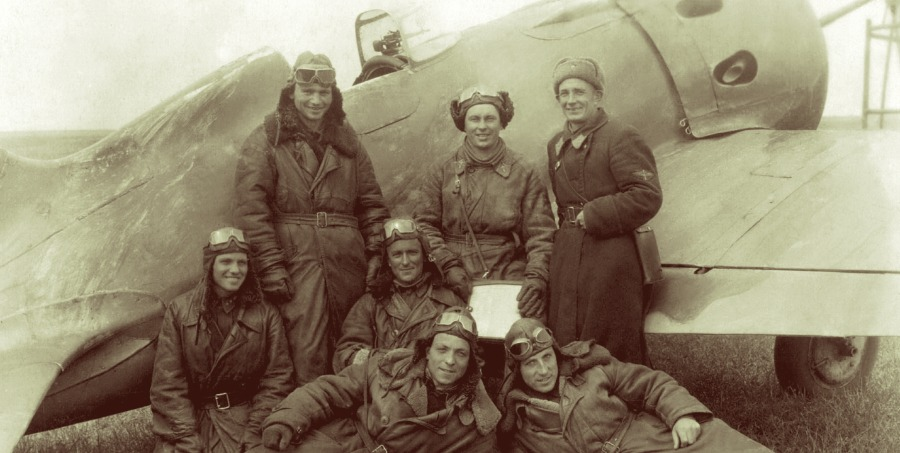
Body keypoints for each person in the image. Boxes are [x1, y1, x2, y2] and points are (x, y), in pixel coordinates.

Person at [234, 51, 390, 385]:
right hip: (297, 262)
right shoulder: (267, 139)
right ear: (291, 92)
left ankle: (358, 413)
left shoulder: (349, 141)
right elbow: (252, 210)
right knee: (305, 351)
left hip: (347, 262)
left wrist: (377, 253)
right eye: (307, 92)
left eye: (324, 92)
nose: (316, 100)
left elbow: (371, 203)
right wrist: (270, 265)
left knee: (356, 344)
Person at [497, 318, 772, 452]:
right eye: (531, 364)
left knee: (720, 442)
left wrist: (681, 415)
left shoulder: (590, 369)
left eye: (547, 357)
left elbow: (651, 384)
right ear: (518, 370)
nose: (544, 370)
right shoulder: (517, 416)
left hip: (642, 438)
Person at [251, 307, 501, 453]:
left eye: (460, 354)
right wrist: (286, 419)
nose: (449, 361)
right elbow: (327, 391)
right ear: (427, 351)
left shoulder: (479, 419)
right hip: (345, 442)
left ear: (471, 361)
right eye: (442, 350)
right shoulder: (391, 367)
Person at [545, 57, 663, 364]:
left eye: (579, 92)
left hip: (611, 256)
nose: (571, 100)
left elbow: (647, 195)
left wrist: (595, 214)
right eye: (564, 93)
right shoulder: (556, 144)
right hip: (568, 253)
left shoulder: (620, 135)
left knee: (610, 342)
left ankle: (625, 391)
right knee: (565, 334)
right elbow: (562, 204)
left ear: (597, 96)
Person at [414, 86, 556, 318]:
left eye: (490, 118)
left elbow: (541, 235)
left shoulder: (524, 171)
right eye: (474, 119)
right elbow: (423, 225)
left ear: (502, 122)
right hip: (451, 274)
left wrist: (536, 277)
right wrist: (447, 264)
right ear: (463, 123)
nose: (482, 126)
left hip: (506, 272)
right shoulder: (442, 169)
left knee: (522, 329)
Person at [150, 227, 294, 453]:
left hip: (246, 420)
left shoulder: (266, 313)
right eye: (226, 261)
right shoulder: (179, 311)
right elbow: (167, 384)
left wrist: (256, 430)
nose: (235, 270)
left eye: (242, 262)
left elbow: (278, 378)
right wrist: (186, 437)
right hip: (195, 422)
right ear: (211, 265)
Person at [332, 217, 466, 373]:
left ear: (424, 256)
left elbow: (467, 355)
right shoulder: (371, 302)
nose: (405, 261)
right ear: (388, 261)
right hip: (380, 382)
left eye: (412, 253)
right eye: (397, 255)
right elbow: (345, 354)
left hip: (430, 384)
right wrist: (386, 360)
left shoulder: (449, 302)